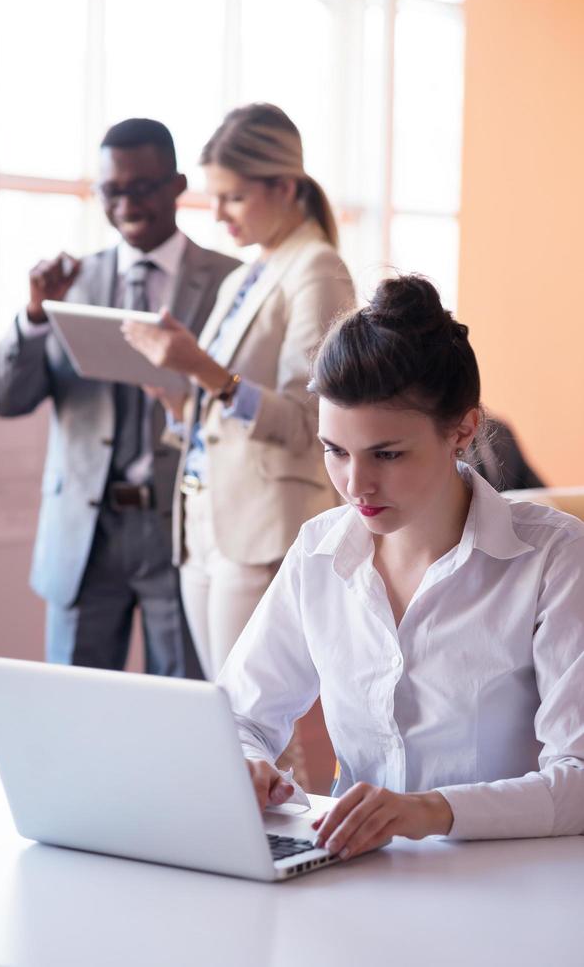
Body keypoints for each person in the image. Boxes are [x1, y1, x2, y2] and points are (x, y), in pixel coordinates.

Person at [216, 274, 584, 857]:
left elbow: (579, 779)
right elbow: (239, 717)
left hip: (515, 879)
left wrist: (429, 812)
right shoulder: (319, 551)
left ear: (462, 429)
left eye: (386, 454)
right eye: (335, 451)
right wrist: (248, 763)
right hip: (357, 872)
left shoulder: (556, 559)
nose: (355, 485)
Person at [0, 118, 239, 673]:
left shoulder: (230, 281)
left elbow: (243, 401)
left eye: (142, 187)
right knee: (71, 711)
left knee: (181, 711)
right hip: (84, 532)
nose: (127, 203)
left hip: (179, 527)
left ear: (176, 186)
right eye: (112, 190)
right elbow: (6, 399)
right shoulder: (68, 282)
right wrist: (33, 317)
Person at [123, 103, 355, 681]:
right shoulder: (245, 274)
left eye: (232, 197)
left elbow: (307, 422)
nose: (218, 214)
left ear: (284, 186)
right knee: (222, 714)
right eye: (214, 196)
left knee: (252, 722)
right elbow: (225, 408)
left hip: (259, 525)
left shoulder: (316, 268)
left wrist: (202, 369)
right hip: (203, 518)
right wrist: (178, 399)